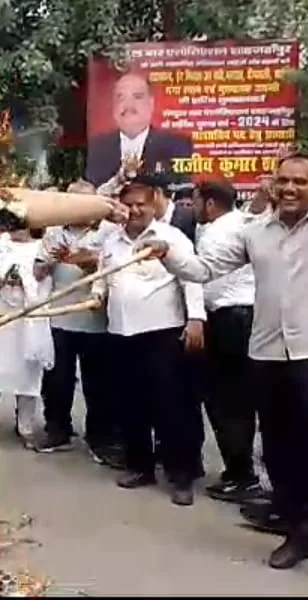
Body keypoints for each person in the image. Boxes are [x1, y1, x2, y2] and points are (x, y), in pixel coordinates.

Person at [144, 69, 308, 596]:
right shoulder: (255, 233)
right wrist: (168, 252)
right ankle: (297, 534)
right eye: (283, 181)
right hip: (267, 360)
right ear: (272, 185)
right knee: (279, 456)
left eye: (301, 182)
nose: (290, 188)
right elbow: (204, 269)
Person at [92, 180, 206, 506]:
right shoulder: (112, 241)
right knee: (130, 404)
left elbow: (191, 279)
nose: (135, 210)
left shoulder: (171, 238)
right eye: (129, 204)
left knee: (171, 406)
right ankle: (139, 466)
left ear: (154, 203)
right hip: (121, 332)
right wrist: (97, 295)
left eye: (141, 203)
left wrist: (196, 319)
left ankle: (180, 475)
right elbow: (103, 276)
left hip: (162, 332)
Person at [34, 180, 120, 460]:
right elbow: (37, 272)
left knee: (99, 383)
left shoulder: (110, 232)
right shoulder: (54, 232)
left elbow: (111, 267)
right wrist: (49, 261)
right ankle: (58, 430)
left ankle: (100, 437)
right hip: (61, 317)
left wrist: (83, 259)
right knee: (57, 379)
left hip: (97, 320)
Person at [191, 180, 262, 503]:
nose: (192, 208)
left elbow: (203, 280)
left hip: (230, 320)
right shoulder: (243, 224)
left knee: (227, 402)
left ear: (209, 204)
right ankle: (240, 470)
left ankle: (241, 474)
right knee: (239, 401)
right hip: (245, 317)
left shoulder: (219, 233)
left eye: (195, 201)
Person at [0, 229, 53, 446]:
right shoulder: (0, 244)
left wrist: (27, 282)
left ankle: (25, 427)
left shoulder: (42, 247)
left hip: (28, 321)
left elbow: (46, 282)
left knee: (27, 376)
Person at [86, 71, 193, 186]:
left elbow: (181, 190)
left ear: (151, 103)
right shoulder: (97, 148)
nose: (128, 105)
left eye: (137, 97)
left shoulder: (177, 146)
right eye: (120, 97)